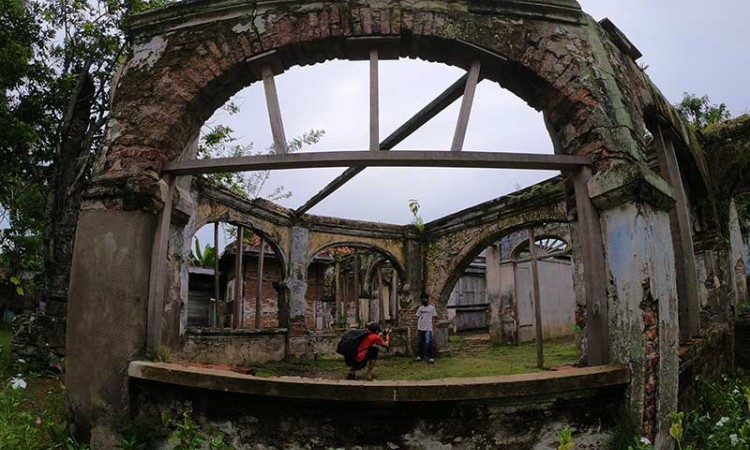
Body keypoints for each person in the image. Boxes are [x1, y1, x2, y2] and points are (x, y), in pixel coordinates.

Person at [415, 293, 437, 363]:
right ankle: (420, 356)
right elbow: (417, 317)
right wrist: (417, 328)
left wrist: (433, 329)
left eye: (425, 299)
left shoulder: (432, 308)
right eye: (422, 299)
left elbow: (433, 319)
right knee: (421, 343)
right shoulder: (420, 308)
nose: (423, 300)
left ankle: (431, 357)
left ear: (427, 299)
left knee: (429, 342)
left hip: (428, 328)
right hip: (421, 327)